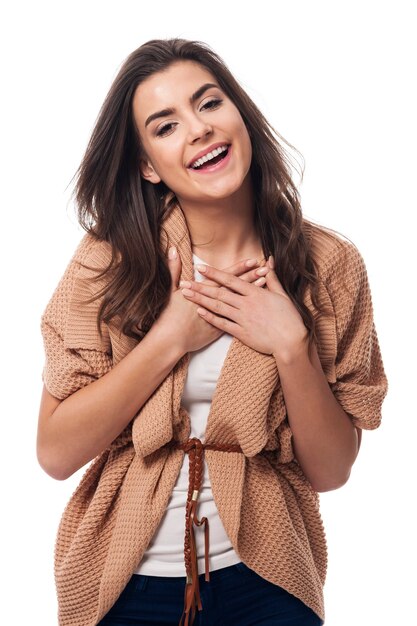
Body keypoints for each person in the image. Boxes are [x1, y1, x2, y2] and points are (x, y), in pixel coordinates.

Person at [36, 38, 388, 626]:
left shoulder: (330, 265)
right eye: (166, 125)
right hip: (129, 581)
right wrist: (170, 338)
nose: (198, 130)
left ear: (239, 118)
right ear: (148, 164)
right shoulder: (108, 262)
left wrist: (291, 345)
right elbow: (55, 452)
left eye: (209, 103)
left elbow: (331, 471)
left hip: (269, 580)